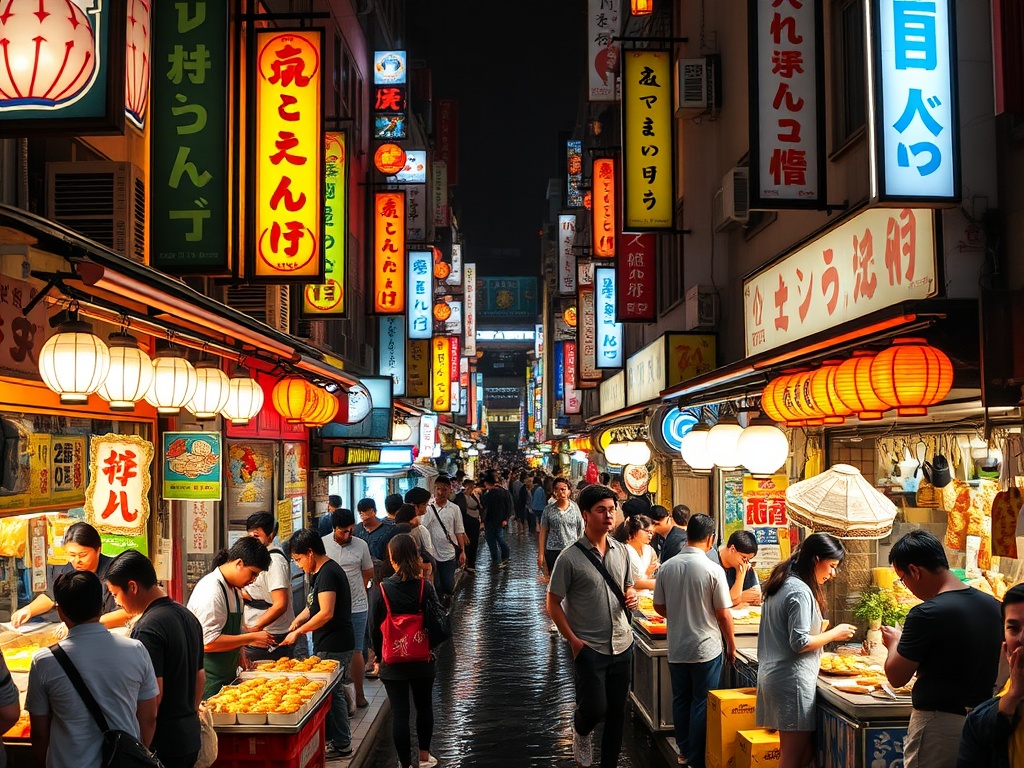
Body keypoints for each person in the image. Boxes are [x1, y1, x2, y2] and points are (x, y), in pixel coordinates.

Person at [881, 530, 1002, 768]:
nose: (905, 587)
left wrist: (894, 642)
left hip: (939, 725)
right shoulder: (994, 606)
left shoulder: (926, 613)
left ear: (915, 571)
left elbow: (896, 676)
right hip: (984, 721)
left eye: (902, 579)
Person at [26, 571, 159, 768]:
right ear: (102, 606)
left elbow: (38, 731)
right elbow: (148, 717)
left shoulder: (44, 661)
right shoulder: (136, 650)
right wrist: (132, 754)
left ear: (61, 612)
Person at [547, 484, 638, 768]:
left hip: (623, 643)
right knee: (596, 708)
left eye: (612, 510)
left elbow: (628, 586)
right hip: (590, 647)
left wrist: (632, 595)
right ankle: (581, 730)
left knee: (616, 713)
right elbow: (552, 604)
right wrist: (573, 641)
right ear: (585, 514)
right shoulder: (569, 557)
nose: (609, 516)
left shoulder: (622, 551)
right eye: (601, 510)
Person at [756, 533, 857, 768]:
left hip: (776, 677)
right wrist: (836, 633)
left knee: (801, 755)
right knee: (792, 758)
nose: (833, 574)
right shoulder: (799, 590)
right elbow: (800, 642)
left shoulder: (783, 582)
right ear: (816, 560)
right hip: (791, 682)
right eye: (831, 566)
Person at [105, 550, 205, 768]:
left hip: (163, 743)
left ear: (132, 587)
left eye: (114, 594)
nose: (117, 603)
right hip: (188, 736)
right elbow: (200, 677)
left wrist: (142, 748)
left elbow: (151, 700)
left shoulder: (147, 629)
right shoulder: (188, 616)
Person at [654, 514, 736, 768]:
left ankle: (683, 750)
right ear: (710, 538)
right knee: (701, 701)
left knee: (681, 698)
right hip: (706, 648)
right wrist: (731, 646)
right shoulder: (713, 569)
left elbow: (659, 606)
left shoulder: (667, 566)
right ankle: (696, 758)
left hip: (678, 645)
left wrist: (679, 615)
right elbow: (723, 614)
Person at [283, 527, 355, 761]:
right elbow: (312, 607)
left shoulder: (328, 573)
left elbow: (325, 613)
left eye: (298, 559)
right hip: (327, 640)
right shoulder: (317, 573)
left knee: (333, 695)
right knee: (330, 694)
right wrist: (297, 621)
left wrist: (299, 632)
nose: (298, 564)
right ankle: (336, 740)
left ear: (310, 552)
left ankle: (343, 744)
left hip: (336, 642)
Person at [371, 534, 441, 768]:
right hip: (423, 658)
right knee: (424, 707)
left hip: (393, 660)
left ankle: (405, 763)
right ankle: (423, 757)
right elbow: (438, 620)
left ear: (392, 558)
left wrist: (379, 659)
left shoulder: (382, 590)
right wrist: (432, 648)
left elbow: (374, 628)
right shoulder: (425, 586)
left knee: (400, 713)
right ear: (415, 555)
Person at [186, 537, 274, 699]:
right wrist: (250, 638)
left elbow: (234, 632)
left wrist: (242, 657)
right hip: (207, 682)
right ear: (239, 563)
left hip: (226, 677)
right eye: (253, 573)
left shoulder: (235, 591)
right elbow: (208, 642)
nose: (253, 580)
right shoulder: (211, 591)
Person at [12, 521, 127, 631]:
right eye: (72, 555)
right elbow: (51, 597)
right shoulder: (67, 569)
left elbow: (127, 612)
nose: (77, 561)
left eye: (83, 555)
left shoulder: (115, 572)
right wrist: (29, 609)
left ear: (98, 550)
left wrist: (83, 626)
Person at [956, 583, 1024, 767]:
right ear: (1006, 649)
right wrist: (1014, 695)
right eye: (1014, 628)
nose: (1022, 637)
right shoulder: (979, 723)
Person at [323, 508, 375, 711]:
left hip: (357, 606)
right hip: (331, 607)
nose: (348, 535)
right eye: (343, 531)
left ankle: (359, 695)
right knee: (331, 649)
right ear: (334, 528)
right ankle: (334, 698)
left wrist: (358, 589)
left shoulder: (361, 545)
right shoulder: (323, 544)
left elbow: (368, 571)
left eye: (350, 531)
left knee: (356, 650)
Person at [242, 512, 295, 662]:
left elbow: (280, 604)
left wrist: (255, 629)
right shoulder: (254, 557)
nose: (253, 540)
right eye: (250, 535)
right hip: (256, 633)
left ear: (270, 535)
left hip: (270, 635)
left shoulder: (275, 561)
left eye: (257, 536)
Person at [423, 475, 468, 608]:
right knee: (435, 584)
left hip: (448, 553)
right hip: (432, 554)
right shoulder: (428, 508)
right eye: (438, 489)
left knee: (448, 584)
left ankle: (446, 600)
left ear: (450, 490)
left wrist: (462, 551)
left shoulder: (454, 509)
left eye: (444, 489)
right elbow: (423, 527)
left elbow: (458, 531)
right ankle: (440, 608)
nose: (440, 492)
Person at [538, 477, 584, 580]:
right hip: (553, 551)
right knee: (554, 582)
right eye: (557, 489)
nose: (560, 492)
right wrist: (541, 554)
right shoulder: (548, 510)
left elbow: (580, 530)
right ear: (554, 491)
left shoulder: (575, 508)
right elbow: (543, 531)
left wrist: (581, 550)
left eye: (563, 489)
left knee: (571, 581)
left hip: (571, 550)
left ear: (569, 491)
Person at [707, 530, 762, 607]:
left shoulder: (744, 566)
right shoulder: (710, 561)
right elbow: (715, 603)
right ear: (732, 549)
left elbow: (756, 596)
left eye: (749, 560)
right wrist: (740, 597)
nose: (746, 563)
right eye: (744, 558)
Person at [481, 472, 513, 568]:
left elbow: (483, 506)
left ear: (486, 483)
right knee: (500, 539)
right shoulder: (504, 492)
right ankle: (504, 556)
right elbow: (509, 506)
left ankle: (496, 559)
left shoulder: (487, 495)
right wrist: (506, 518)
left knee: (492, 541)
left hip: (490, 521)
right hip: (500, 521)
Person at [623, 515, 658, 593]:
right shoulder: (624, 551)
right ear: (635, 531)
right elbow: (631, 583)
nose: (650, 535)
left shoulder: (650, 550)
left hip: (647, 596)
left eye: (651, 533)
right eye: (646, 531)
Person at [355, 497, 396, 564]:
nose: (362, 515)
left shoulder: (388, 530)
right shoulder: (358, 529)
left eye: (365, 511)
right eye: (360, 513)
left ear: (373, 511)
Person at [454, 478, 482, 573]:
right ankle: (464, 563)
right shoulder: (459, 497)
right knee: (465, 544)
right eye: (470, 487)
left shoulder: (474, 496)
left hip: (475, 524)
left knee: (474, 544)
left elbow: (480, 507)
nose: (471, 489)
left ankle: (471, 564)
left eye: (472, 487)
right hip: (465, 523)